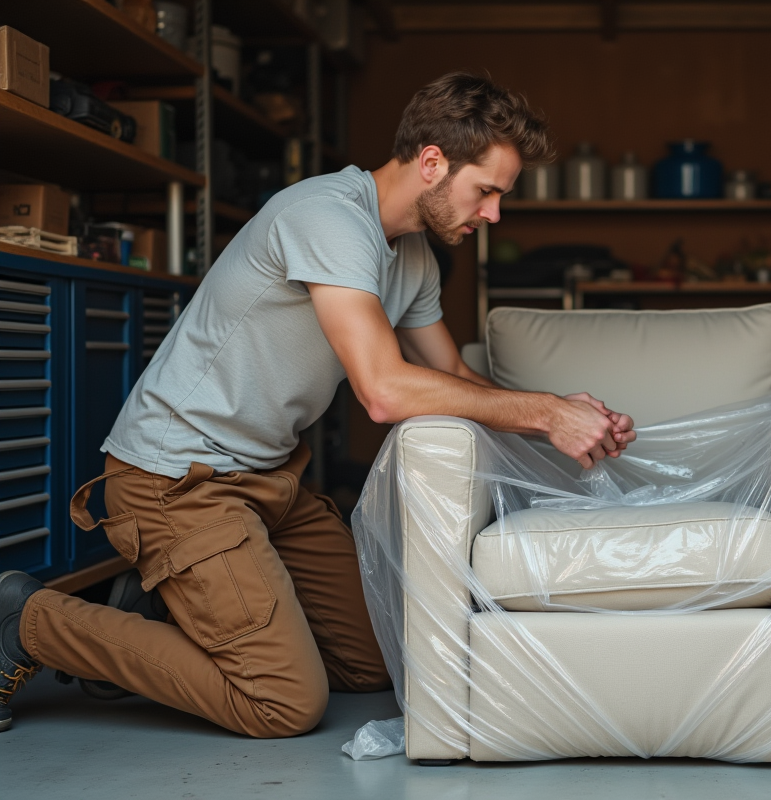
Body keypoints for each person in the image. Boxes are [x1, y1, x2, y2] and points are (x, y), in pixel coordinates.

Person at [0, 73, 635, 736]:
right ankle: (28, 620)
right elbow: (384, 391)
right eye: (488, 192)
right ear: (431, 163)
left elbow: (449, 375)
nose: (494, 214)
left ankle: (168, 605)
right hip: (177, 481)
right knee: (282, 703)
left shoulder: (412, 255)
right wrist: (546, 414)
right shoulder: (328, 217)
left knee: (375, 660)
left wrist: (562, 411)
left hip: (268, 480)